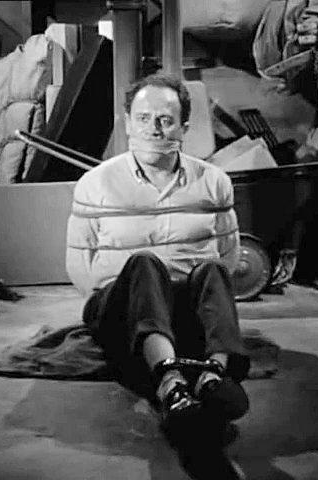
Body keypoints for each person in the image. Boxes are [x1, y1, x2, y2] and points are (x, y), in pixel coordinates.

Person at [66, 73, 250, 437]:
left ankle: (214, 376)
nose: (154, 129)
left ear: (184, 128)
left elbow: (229, 257)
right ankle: (171, 383)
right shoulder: (96, 183)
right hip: (119, 307)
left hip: (181, 306)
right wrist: (115, 302)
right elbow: (79, 263)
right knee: (144, 263)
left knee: (212, 268)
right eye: (143, 118)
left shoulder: (213, 182)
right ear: (128, 124)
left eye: (165, 120)